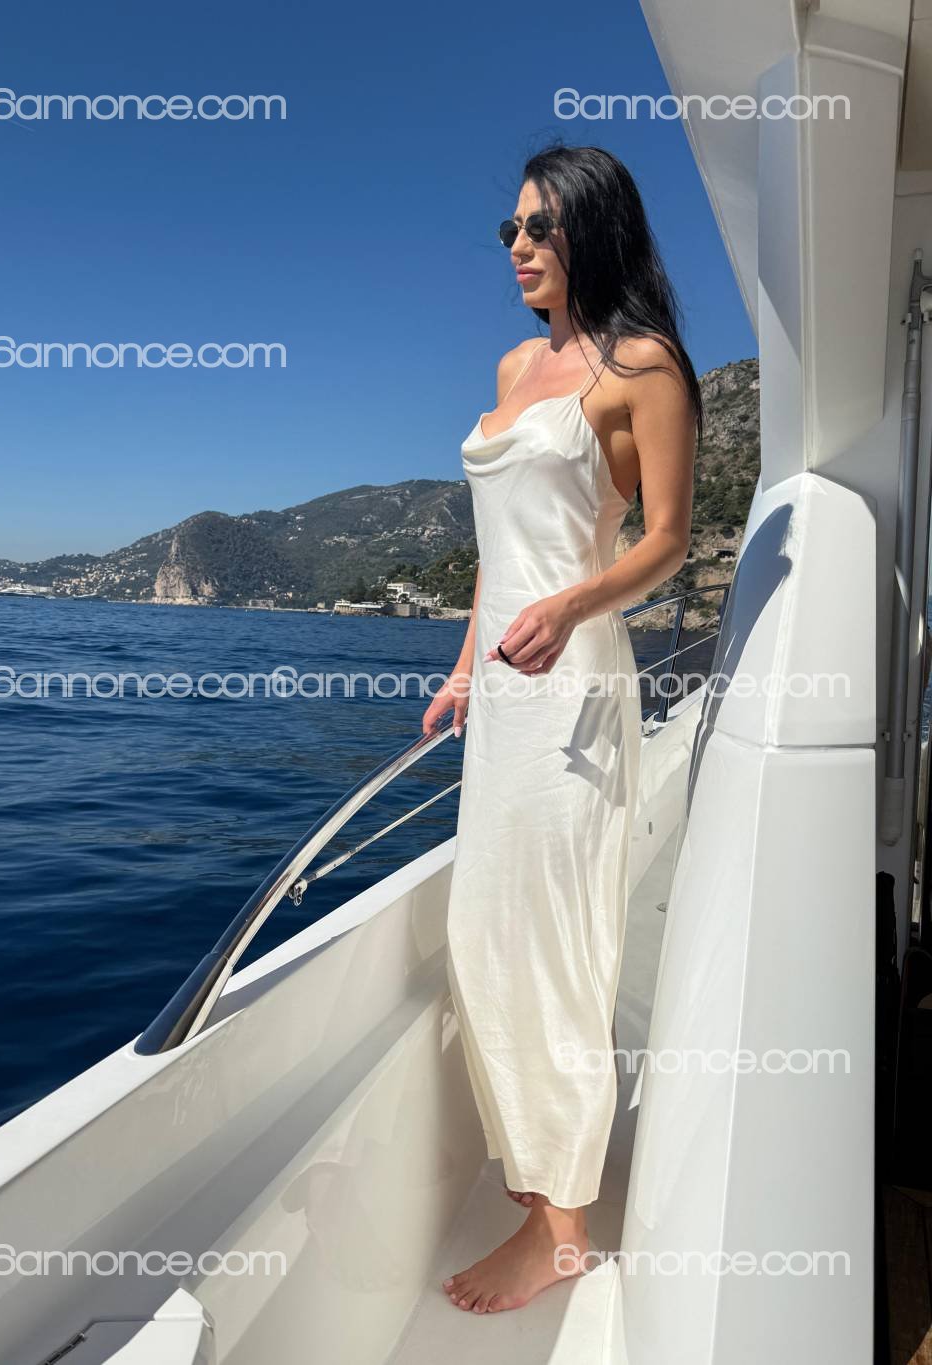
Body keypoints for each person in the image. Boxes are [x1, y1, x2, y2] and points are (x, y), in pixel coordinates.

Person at [422, 143, 700, 1315]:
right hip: (504, 693)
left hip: (574, 684)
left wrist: (572, 607)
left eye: (540, 226)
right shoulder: (512, 365)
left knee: (551, 941)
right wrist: (462, 668)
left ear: (594, 227)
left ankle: (563, 1231)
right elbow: (499, 554)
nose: (520, 246)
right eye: (510, 230)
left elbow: (667, 538)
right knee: (484, 929)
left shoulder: (644, 367)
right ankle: (539, 1191)